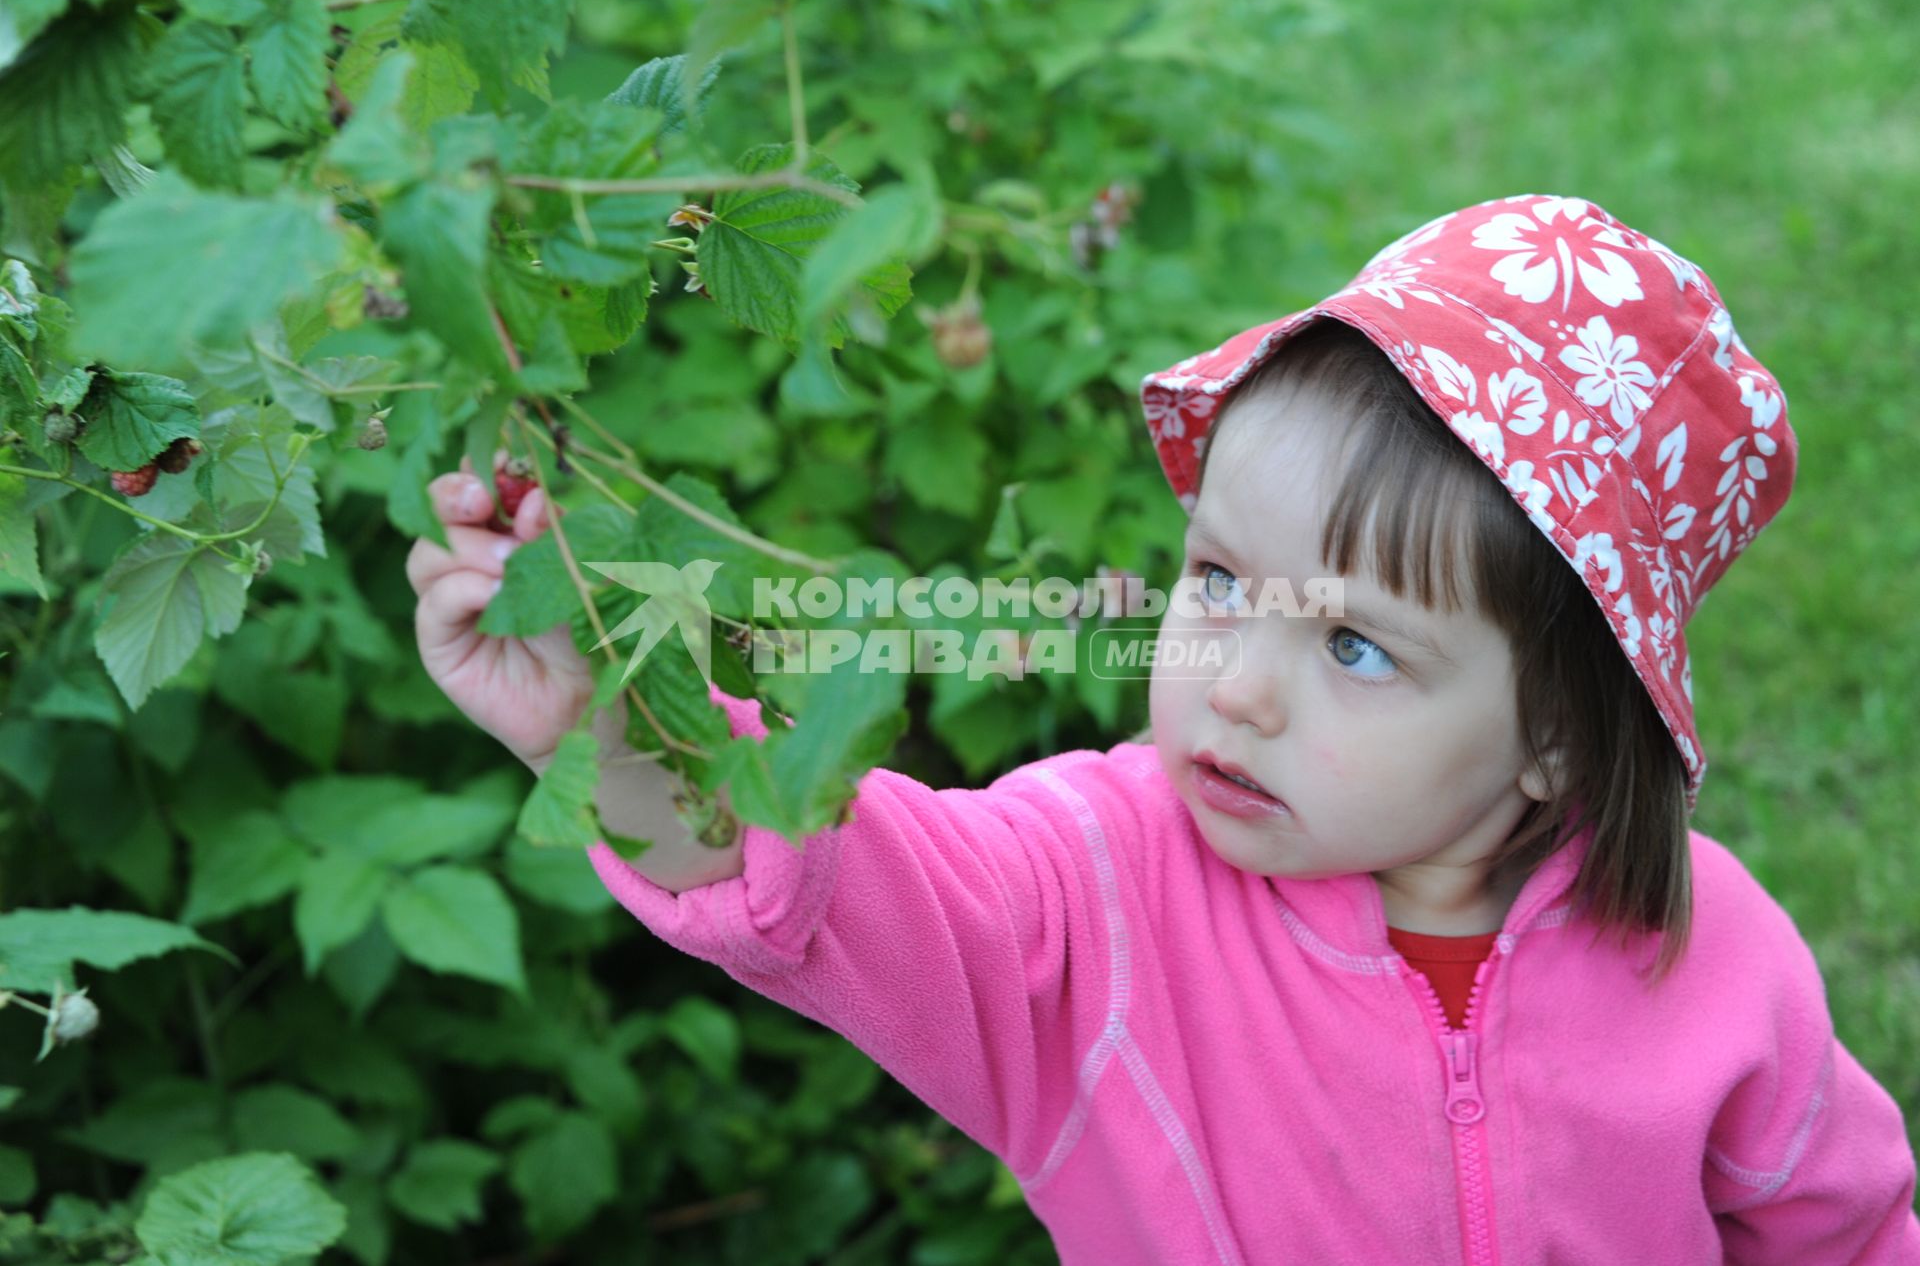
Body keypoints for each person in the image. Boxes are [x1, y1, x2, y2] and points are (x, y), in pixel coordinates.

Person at [407, 194, 1920, 1263]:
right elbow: (824, 872)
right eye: (1218, 578)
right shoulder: (1093, 898)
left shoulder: (1712, 963)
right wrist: (613, 716)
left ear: (1559, 739)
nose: (1239, 682)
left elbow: (1842, 1230)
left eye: (1352, 643)